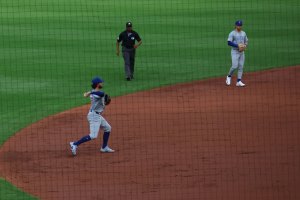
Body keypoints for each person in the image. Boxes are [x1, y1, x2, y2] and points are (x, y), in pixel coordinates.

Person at [70, 77, 114, 155]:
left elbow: (101, 94)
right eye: (101, 82)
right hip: (94, 116)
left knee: (108, 128)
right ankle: (75, 144)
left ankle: (104, 147)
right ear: (98, 84)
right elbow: (101, 94)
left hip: (97, 115)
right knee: (93, 135)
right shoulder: (95, 94)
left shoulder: (94, 93)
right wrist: (90, 92)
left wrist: (90, 93)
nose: (102, 84)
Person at [226, 20, 249, 87]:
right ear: (235, 25)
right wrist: (237, 45)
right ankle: (229, 76)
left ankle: (239, 81)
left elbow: (246, 41)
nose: (239, 26)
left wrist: (244, 46)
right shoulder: (232, 33)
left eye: (240, 25)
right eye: (238, 25)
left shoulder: (243, 33)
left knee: (241, 66)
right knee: (234, 66)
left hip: (241, 52)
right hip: (234, 52)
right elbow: (229, 42)